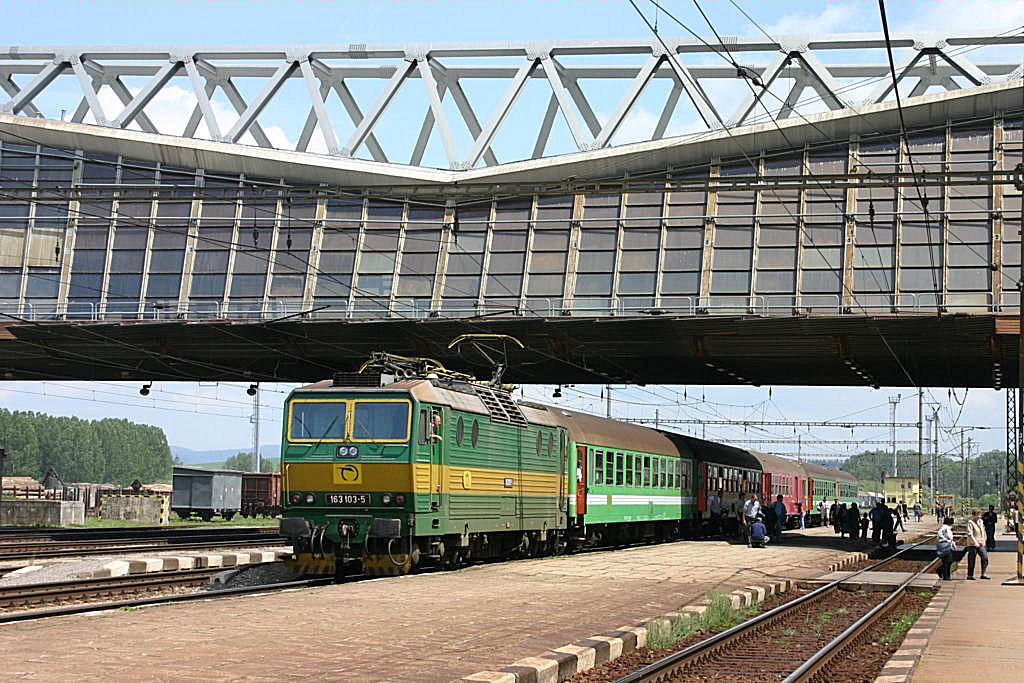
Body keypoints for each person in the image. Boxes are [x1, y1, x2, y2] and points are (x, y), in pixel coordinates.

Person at [966, 508, 991, 580]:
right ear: (973, 515)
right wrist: (975, 542)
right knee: (971, 560)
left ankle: (983, 573)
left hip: (981, 543)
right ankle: (970, 575)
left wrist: (984, 540)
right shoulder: (970, 523)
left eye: (980, 515)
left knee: (985, 557)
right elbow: (970, 534)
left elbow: (983, 531)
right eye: (978, 515)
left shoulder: (981, 521)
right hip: (972, 544)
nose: (979, 517)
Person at [936, 516, 957, 581]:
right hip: (945, 546)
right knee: (948, 561)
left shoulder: (943, 528)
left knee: (947, 561)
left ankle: (944, 573)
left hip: (942, 546)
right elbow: (949, 538)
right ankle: (945, 575)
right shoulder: (946, 529)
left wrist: (953, 544)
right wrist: (952, 544)